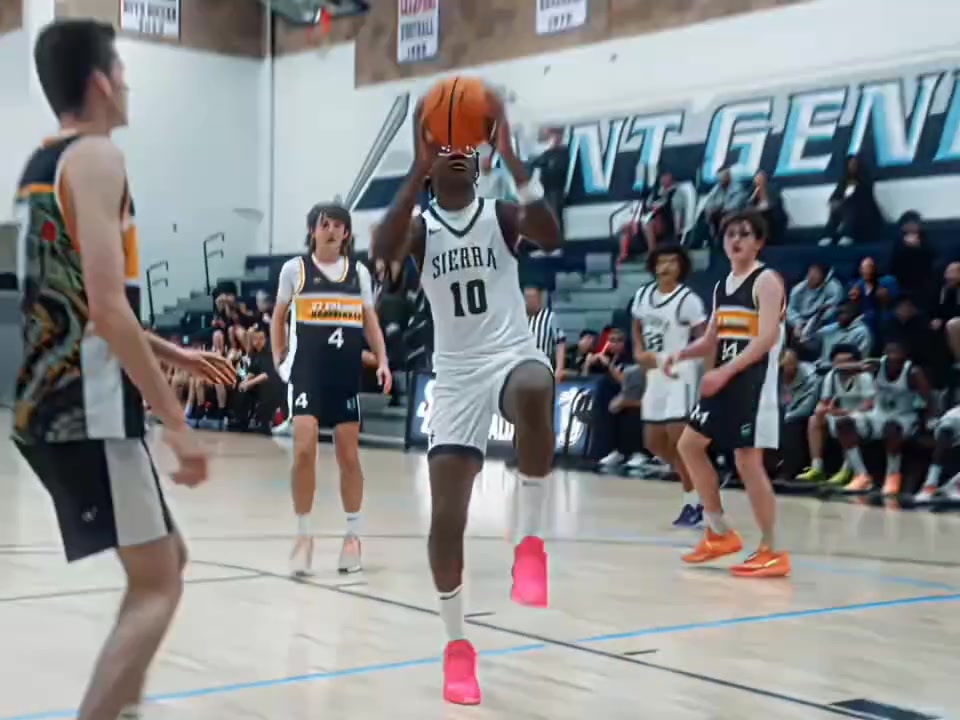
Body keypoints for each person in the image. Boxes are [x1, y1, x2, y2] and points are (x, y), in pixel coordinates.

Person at [12, 20, 235, 720]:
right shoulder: (99, 157)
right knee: (157, 585)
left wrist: (175, 354)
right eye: (122, 69)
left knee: (166, 560)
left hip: (50, 402)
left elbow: (84, 305)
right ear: (101, 83)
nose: (129, 83)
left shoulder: (41, 164)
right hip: (92, 407)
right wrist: (179, 426)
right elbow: (108, 311)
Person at [371, 94, 561, 705]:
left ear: (480, 163)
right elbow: (381, 248)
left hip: (509, 354)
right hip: (454, 377)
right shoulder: (420, 229)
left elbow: (551, 234)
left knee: (535, 387)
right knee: (447, 520)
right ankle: (457, 649)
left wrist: (514, 159)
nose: (456, 154)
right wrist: (415, 168)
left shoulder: (500, 214)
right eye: (444, 148)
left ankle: (529, 543)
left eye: (465, 148)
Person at [665, 210, 790, 578]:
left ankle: (773, 550)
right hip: (725, 380)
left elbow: (766, 339)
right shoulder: (723, 286)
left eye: (745, 234)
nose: (736, 240)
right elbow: (711, 339)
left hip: (752, 382)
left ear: (759, 242)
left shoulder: (766, 281)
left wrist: (725, 372)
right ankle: (719, 531)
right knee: (689, 445)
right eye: (730, 234)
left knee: (748, 462)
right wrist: (682, 354)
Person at [271, 203, 392, 576]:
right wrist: (279, 359)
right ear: (313, 230)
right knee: (304, 450)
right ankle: (303, 534)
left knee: (348, 457)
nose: (332, 230)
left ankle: (353, 535)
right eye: (326, 224)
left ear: (347, 234)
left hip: (344, 373)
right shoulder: (295, 270)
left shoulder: (358, 273)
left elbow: (370, 320)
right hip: (307, 373)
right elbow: (278, 317)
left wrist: (383, 360)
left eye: (339, 226)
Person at [630, 244, 707, 526]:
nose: (666, 267)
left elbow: (705, 338)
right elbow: (636, 324)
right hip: (654, 372)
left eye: (672, 261)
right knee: (653, 441)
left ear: (681, 266)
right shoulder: (643, 295)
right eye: (661, 261)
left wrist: (704, 372)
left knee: (679, 438)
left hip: (680, 371)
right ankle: (700, 481)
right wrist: (638, 351)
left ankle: (693, 502)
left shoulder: (688, 300)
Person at [842, 340, 932, 496]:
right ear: (884, 354)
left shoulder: (912, 372)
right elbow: (842, 368)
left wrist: (930, 421)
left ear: (904, 356)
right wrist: (860, 366)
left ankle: (893, 476)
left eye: (897, 352)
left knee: (891, 428)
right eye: (890, 352)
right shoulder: (876, 365)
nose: (893, 356)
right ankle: (861, 475)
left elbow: (929, 398)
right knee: (844, 423)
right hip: (878, 415)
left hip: (904, 417)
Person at [795, 345, 875, 485]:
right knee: (814, 419)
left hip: (864, 417)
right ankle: (817, 467)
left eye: (847, 361)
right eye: (839, 362)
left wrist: (844, 412)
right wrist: (823, 410)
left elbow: (869, 405)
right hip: (839, 413)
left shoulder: (864, 377)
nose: (843, 365)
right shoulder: (831, 376)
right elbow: (825, 402)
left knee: (845, 423)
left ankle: (847, 470)